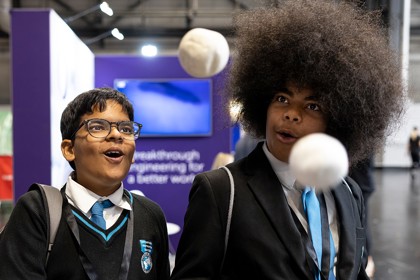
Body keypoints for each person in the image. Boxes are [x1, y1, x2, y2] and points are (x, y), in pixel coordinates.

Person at [170, 1, 404, 279]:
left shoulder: (348, 191)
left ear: (339, 117)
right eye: (282, 99)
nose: (291, 114)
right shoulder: (221, 191)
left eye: (312, 106)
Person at [0, 88, 170, 279]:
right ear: (69, 149)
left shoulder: (150, 215)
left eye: (126, 129)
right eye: (98, 127)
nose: (116, 135)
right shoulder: (37, 211)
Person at [349, 156, 377, 278]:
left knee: (361, 223)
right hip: (363, 183)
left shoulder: (360, 141)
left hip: (360, 184)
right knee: (362, 221)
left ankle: (368, 261)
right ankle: (367, 260)